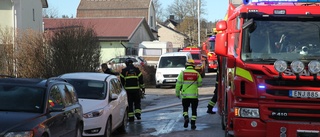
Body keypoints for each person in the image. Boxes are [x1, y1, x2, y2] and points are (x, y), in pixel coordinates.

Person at [175, 59, 202, 130]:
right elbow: (200, 83)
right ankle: (193, 124)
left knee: (185, 109)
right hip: (194, 96)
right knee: (194, 110)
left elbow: (178, 84)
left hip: (185, 96)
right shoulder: (196, 73)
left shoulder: (182, 73)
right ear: (193, 66)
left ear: (186, 65)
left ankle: (186, 118)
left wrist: (177, 93)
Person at [120, 58, 145, 122]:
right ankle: (138, 114)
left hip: (128, 91)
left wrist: (121, 91)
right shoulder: (137, 70)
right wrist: (142, 88)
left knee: (130, 104)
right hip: (136, 90)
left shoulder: (124, 71)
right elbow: (141, 80)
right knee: (137, 102)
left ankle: (131, 117)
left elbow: (122, 83)